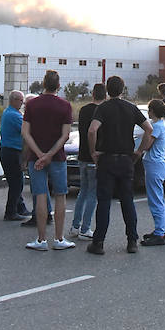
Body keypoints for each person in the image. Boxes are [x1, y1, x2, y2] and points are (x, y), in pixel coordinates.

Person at [86, 75, 147, 255]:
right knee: (127, 200)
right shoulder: (131, 108)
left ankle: (98, 242)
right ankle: (132, 241)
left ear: (107, 90)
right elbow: (149, 129)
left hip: (107, 158)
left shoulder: (103, 108)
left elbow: (92, 130)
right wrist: (139, 151)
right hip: (126, 159)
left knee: (104, 201)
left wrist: (93, 152)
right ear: (123, 89)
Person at [22, 70, 74, 251]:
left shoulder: (32, 105)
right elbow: (65, 135)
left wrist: (39, 155)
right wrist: (50, 155)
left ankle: (41, 239)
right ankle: (59, 238)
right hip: (57, 158)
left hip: (35, 158)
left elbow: (25, 133)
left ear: (43, 84)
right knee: (60, 195)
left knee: (40, 195)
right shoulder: (65, 106)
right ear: (58, 86)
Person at [69, 83, 105, 240]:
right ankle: (86, 228)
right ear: (105, 96)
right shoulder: (103, 111)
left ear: (93, 94)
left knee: (82, 192)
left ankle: (75, 226)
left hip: (82, 155)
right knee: (93, 194)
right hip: (94, 156)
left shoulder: (83, 110)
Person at [140, 99, 165, 245]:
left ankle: (160, 232)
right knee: (157, 198)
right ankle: (160, 229)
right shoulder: (160, 124)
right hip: (156, 165)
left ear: (152, 111)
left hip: (154, 165)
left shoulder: (156, 127)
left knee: (155, 200)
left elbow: (147, 145)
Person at [0, 91, 31, 221]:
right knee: (16, 183)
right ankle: (10, 211)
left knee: (17, 181)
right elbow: (26, 130)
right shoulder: (14, 115)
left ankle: (20, 208)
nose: (22, 103)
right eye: (20, 100)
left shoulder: (10, 112)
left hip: (8, 151)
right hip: (11, 152)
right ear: (14, 100)